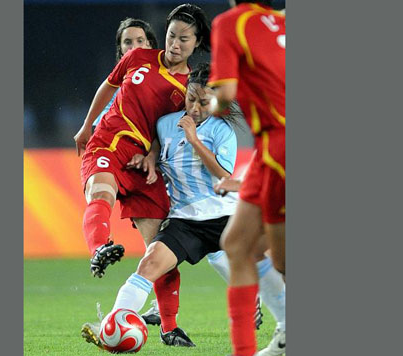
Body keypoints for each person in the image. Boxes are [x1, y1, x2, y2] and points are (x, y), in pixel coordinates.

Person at [83, 62, 286, 349]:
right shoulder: (167, 123)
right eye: (191, 98)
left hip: (225, 216)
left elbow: (223, 176)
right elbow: (156, 143)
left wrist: (194, 139)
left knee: (269, 267)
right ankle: (114, 325)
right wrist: (150, 158)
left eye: (203, 102)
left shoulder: (221, 131)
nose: (195, 107)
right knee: (150, 263)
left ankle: (279, 319)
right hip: (185, 220)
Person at [74, 2, 211, 344]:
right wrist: (87, 125)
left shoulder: (187, 90)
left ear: (196, 44)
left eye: (184, 39)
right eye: (171, 35)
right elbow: (108, 86)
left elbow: (167, 128)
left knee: (160, 248)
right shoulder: (138, 59)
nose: (175, 44)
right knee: (100, 192)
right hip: (108, 142)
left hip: (144, 166)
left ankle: (169, 326)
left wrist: (152, 154)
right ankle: (99, 248)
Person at [207, 1, 286, 355]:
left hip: (280, 144)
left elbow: (224, 96)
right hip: (267, 150)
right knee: (237, 244)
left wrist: (209, 105)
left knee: (284, 260)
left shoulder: (230, 23)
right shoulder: (282, 23)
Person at [92, 18, 159, 130]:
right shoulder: (114, 86)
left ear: (150, 44)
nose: (134, 48)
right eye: (128, 42)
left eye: (140, 41)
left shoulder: (166, 77)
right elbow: (99, 125)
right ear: (120, 48)